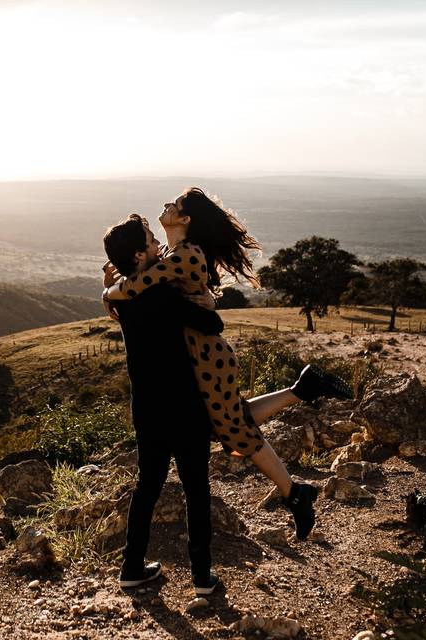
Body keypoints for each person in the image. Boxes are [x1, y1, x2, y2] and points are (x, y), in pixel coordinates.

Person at [103, 187, 353, 547]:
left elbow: (137, 284)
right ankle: (303, 393)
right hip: (202, 356)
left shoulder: (184, 254)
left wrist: (106, 295)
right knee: (230, 421)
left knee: (234, 432)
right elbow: (152, 282)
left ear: (185, 220)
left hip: (205, 357)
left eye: (175, 205)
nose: (166, 205)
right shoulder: (177, 253)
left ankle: (295, 494)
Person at [102, 213, 223, 594]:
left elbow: (115, 290)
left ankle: (132, 567)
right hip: (184, 405)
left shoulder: (123, 297)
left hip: (147, 407)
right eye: (152, 241)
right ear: (140, 256)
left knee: (148, 486)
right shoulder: (163, 293)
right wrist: (206, 302)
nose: (159, 246)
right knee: (196, 488)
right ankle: (202, 577)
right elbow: (213, 326)